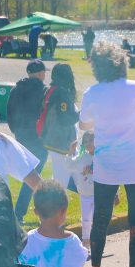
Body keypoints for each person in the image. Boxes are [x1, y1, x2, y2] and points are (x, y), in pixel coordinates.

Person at [78, 42, 135, 267]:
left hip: (107, 162)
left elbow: (84, 124)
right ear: (121, 62)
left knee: (101, 217)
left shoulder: (93, 92)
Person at [8, 59, 49, 218]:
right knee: (33, 175)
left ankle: (20, 212)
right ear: (40, 73)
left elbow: (9, 113)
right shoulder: (44, 91)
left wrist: (16, 131)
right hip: (39, 138)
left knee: (27, 173)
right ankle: (19, 212)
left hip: (21, 136)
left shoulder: (16, 89)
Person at [40, 62, 80, 199]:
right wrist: (80, 114)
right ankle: (54, 209)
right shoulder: (63, 93)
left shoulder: (50, 89)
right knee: (61, 179)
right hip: (61, 141)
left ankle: (50, 202)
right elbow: (65, 119)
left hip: (50, 137)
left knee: (60, 174)